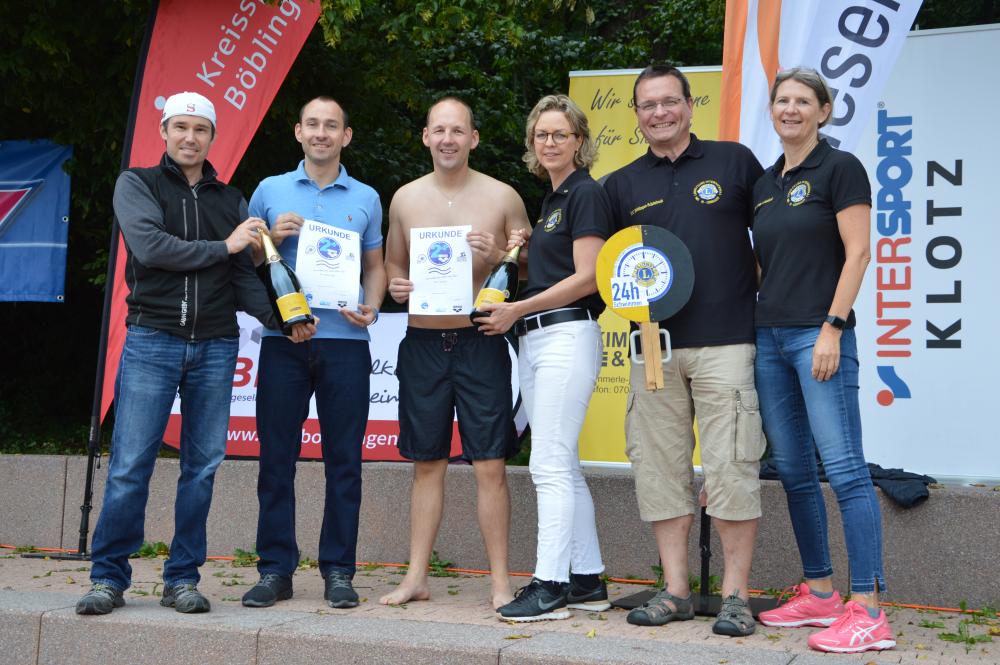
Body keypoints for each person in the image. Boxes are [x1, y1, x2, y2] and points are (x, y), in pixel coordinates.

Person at [76, 92, 314, 616]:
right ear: (164, 132)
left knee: (202, 467)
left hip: (216, 345)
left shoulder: (231, 200)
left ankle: (181, 578)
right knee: (129, 466)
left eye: (200, 129)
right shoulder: (136, 183)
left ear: (212, 137)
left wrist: (284, 320)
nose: (189, 137)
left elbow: (242, 281)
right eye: (180, 127)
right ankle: (108, 578)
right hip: (151, 340)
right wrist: (227, 246)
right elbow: (152, 250)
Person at [602, 65, 765, 637]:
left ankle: (736, 597)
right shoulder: (619, 184)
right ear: (637, 114)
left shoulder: (734, 162)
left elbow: (770, 243)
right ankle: (674, 591)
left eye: (669, 102)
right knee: (659, 471)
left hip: (727, 342)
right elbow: (599, 269)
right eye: (647, 105)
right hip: (654, 347)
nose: (659, 113)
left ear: (690, 105)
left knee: (733, 467)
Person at [752, 67, 893, 654]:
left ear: (824, 110)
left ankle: (869, 610)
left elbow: (858, 253)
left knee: (845, 469)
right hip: (769, 341)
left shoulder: (841, 169)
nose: (790, 109)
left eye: (802, 101)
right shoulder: (763, 183)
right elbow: (764, 264)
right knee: (793, 470)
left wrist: (832, 326)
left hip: (819, 336)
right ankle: (820, 593)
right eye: (782, 100)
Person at [380, 97, 531, 610]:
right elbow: (395, 271)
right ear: (425, 136)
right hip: (423, 341)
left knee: (490, 464)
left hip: (480, 341)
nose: (448, 138)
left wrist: (496, 256)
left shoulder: (503, 195)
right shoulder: (404, 199)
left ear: (474, 138)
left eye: (458, 130)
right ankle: (416, 576)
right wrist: (396, 290)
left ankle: (500, 582)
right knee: (427, 463)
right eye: (438, 129)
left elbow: (529, 267)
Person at [239, 97, 386, 610]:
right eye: (313, 125)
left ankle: (339, 571)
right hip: (285, 341)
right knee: (276, 459)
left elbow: (376, 264)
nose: (322, 133)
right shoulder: (269, 190)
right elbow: (250, 258)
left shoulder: (366, 196)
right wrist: (268, 239)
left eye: (332, 126)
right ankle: (275, 570)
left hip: (345, 344)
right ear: (298, 132)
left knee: (344, 461)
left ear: (346, 135)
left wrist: (372, 303)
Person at [477, 94, 612, 622]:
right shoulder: (554, 200)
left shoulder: (586, 194)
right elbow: (552, 268)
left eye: (560, 134)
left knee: (548, 465)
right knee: (564, 465)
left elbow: (588, 276)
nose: (549, 143)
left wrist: (517, 308)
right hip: (537, 336)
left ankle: (548, 584)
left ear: (580, 141)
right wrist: (501, 256)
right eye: (541, 135)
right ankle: (585, 578)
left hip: (564, 335)